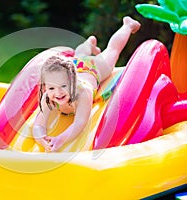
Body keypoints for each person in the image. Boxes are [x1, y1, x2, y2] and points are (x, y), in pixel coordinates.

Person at [32, 16, 141, 152]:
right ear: (45, 87)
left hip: (92, 69)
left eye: (64, 87)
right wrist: (41, 137)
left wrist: (60, 139)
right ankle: (89, 44)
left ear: (73, 82)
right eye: (52, 88)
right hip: (75, 64)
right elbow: (38, 124)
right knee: (80, 55)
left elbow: (79, 123)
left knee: (112, 50)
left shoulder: (82, 93)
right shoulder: (47, 96)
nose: (58, 93)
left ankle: (127, 25)